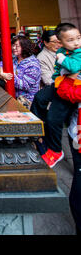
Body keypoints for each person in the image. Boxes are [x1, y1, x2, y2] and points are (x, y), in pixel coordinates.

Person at [31, 22, 81, 168]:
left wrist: (60, 58)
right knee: (39, 98)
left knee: (54, 119)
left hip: (70, 90)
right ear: (61, 42)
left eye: (78, 38)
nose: (76, 43)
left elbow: (73, 67)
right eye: (70, 40)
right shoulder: (65, 51)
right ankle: (39, 131)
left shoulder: (76, 53)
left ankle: (56, 150)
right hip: (60, 85)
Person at [56, 77, 81, 235]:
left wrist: (64, 83)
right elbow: (64, 90)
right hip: (76, 137)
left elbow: (70, 92)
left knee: (77, 198)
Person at [0, 35, 41, 109]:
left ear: (24, 47)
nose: (14, 48)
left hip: (27, 101)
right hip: (14, 98)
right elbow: (2, 65)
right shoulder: (15, 60)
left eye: (17, 46)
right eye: (13, 45)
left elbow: (25, 85)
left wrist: (9, 76)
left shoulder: (32, 64)